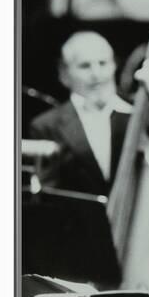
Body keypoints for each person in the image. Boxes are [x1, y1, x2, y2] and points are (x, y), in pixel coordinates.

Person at [29, 31, 132, 196]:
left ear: (114, 66)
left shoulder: (136, 113)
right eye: (85, 66)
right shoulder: (45, 126)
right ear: (64, 75)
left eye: (103, 63)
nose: (96, 74)